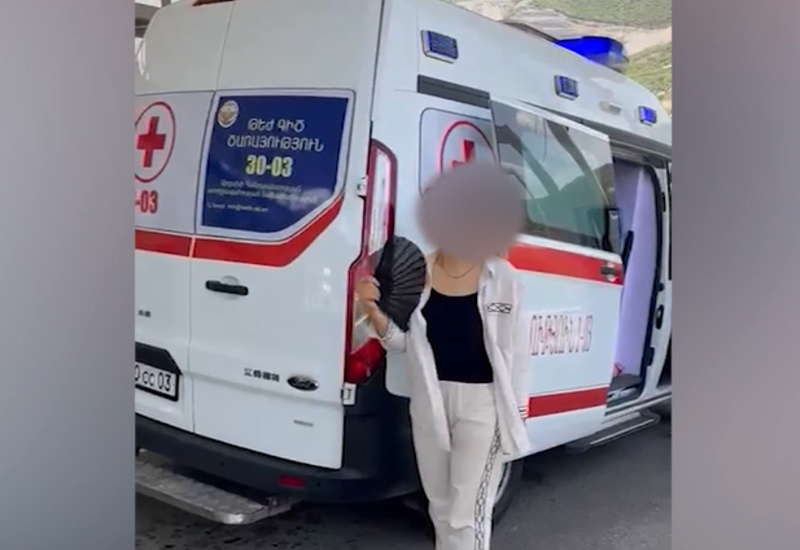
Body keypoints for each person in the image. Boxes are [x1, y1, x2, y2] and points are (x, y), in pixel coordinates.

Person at [355, 247, 530, 550]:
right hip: (430, 398)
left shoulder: (503, 277)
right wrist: (370, 307)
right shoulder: (417, 273)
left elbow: (519, 352)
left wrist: (517, 414)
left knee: (467, 513)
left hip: (484, 403)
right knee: (439, 505)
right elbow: (401, 343)